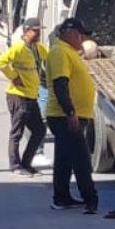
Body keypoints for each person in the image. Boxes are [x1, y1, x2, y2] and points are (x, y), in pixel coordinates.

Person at [45, 17, 99, 214]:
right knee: (81, 158)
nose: (81, 39)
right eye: (79, 35)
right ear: (69, 33)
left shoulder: (67, 51)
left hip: (68, 114)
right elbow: (60, 84)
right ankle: (90, 199)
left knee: (64, 159)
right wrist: (70, 112)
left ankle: (62, 198)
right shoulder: (60, 52)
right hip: (64, 115)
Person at [0, 18, 48, 176]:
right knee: (16, 132)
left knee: (39, 130)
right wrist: (14, 76)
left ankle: (26, 163)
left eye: (39, 30)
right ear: (26, 31)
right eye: (35, 30)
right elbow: (0, 62)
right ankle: (15, 166)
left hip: (31, 96)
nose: (38, 33)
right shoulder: (18, 47)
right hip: (18, 96)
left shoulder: (38, 48)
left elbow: (51, 57)